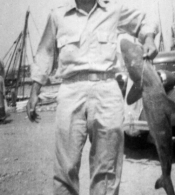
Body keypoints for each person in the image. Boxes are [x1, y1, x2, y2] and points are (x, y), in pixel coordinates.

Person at [27, 0, 158, 194]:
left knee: (107, 167)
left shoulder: (113, 10)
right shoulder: (58, 15)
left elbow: (144, 21)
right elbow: (45, 51)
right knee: (65, 167)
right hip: (71, 90)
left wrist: (148, 39)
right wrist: (35, 90)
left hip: (106, 89)